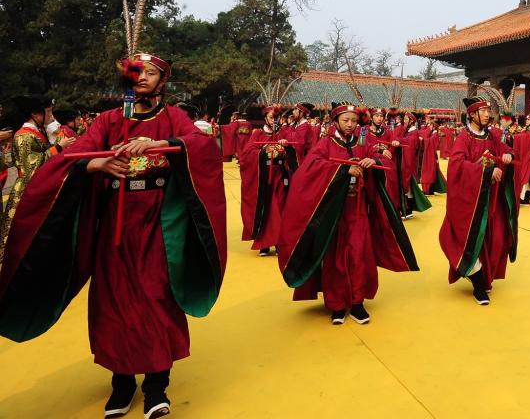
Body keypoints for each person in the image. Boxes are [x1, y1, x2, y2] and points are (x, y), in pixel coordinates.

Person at [0, 52, 227, 419]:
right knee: (114, 301)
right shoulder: (109, 120)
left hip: (158, 224)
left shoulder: (173, 117)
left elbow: (200, 147)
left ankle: (156, 385)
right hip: (116, 226)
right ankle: (121, 383)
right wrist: (96, 163)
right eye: (136, 73)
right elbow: (70, 157)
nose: (142, 78)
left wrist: (161, 144)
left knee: (157, 298)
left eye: (150, 73)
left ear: (162, 80)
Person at [278, 104, 418, 325]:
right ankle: (337, 305)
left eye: (353, 120)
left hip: (358, 210)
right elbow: (310, 169)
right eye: (345, 120)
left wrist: (375, 160)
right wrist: (343, 170)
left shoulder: (362, 142)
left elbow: (385, 161)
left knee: (359, 255)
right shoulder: (326, 143)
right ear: (336, 122)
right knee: (334, 258)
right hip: (334, 212)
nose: (350, 124)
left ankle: (357, 302)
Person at [438, 96, 516, 306]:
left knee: (497, 239)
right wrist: (487, 171)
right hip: (471, 201)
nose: (487, 114)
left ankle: (485, 276)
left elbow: (505, 148)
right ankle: (479, 284)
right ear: (472, 114)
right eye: (483, 111)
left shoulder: (492, 135)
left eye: (488, 111)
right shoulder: (464, 138)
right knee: (472, 239)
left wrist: (508, 155)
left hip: (491, 199)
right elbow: (456, 166)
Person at [0, 95, 74, 261]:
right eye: (46, 113)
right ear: (35, 115)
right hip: (26, 188)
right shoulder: (24, 136)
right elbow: (30, 167)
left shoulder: (35, 133)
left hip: (35, 185)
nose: (49, 117)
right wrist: (58, 148)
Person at [239, 104, 297, 256]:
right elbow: (246, 155)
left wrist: (286, 148)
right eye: (272, 117)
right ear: (265, 118)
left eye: (277, 118)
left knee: (281, 207)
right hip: (264, 177)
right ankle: (264, 243)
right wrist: (264, 150)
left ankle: (278, 242)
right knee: (268, 207)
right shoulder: (257, 134)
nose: (274, 121)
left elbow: (295, 152)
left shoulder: (284, 132)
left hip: (280, 176)